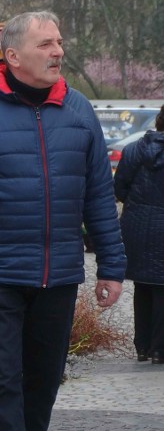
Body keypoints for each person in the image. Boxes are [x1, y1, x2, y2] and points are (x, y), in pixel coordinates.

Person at [0, 11, 126, 431]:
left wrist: (111, 266)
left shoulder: (79, 111)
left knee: (44, 381)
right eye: (46, 45)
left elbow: (97, 195)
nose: (58, 52)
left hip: (58, 276)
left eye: (58, 42)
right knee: (1, 383)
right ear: (13, 56)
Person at [113, 105, 164, 363]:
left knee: (143, 285)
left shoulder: (134, 150)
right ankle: (159, 348)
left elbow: (119, 187)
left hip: (138, 226)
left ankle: (142, 346)